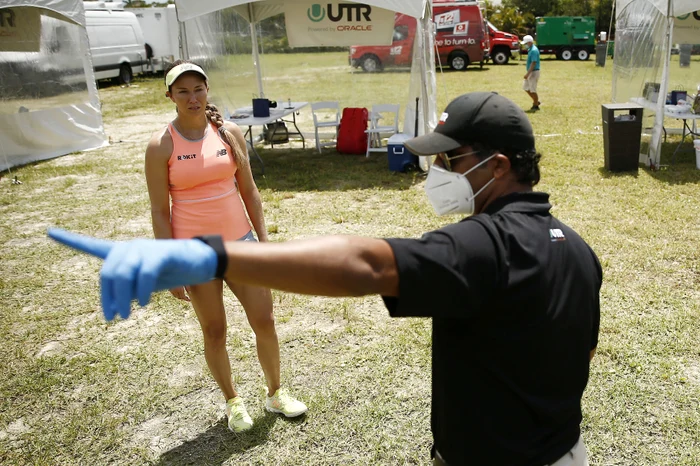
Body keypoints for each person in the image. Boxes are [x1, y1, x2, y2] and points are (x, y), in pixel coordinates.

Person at [50, 92, 601, 466]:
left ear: (497, 166)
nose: (437, 174)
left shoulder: (484, 246)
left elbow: (368, 265)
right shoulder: (578, 248)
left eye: (449, 162)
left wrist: (214, 258)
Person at [143, 60, 307, 433]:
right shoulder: (160, 145)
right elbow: (159, 210)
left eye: (198, 89)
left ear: (207, 91)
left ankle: (276, 393)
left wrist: (265, 245)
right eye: (182, 91)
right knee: (215, 331)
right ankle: (233, 401)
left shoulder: (229, 132)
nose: (192, 97)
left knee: (264, 320)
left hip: (242, 245)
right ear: (169, 96)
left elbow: (249, 191)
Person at [522, 34, 541, 111]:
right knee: (526, 88)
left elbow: (533, 63)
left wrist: (528, 74)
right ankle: (536, 101)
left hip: (533, 72)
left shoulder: (533, 50)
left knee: (532, 89)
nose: (525, 45)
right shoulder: (531, 49)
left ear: (530, 42)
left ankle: (536, 105)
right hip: (531, 72)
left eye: (526, 43)